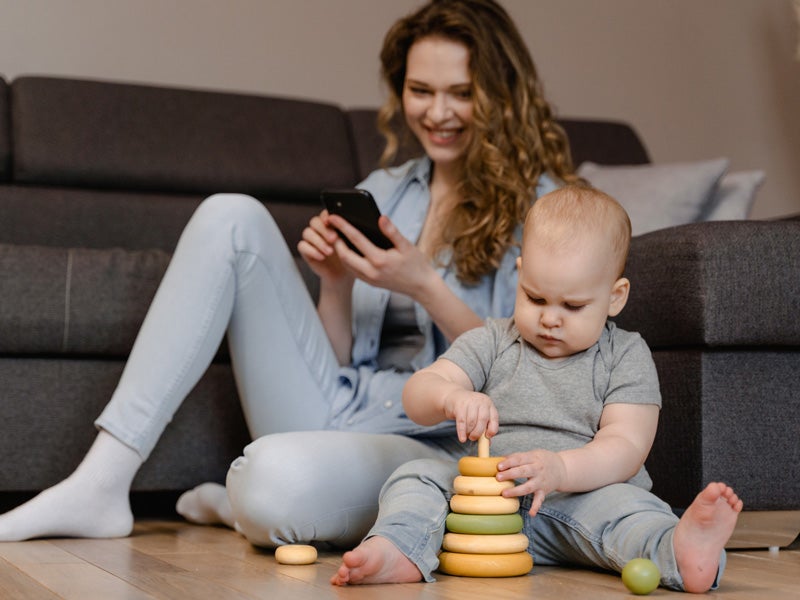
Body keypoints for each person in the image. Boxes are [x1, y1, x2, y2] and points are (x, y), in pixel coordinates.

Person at [0, 0, 579, 547]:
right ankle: (102, 481)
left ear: (501, 95)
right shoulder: (385, 192)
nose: (437, 112)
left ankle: (245, 500)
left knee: (276, 484)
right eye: (419, 90)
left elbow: (526, 378)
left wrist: (423, 284)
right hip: (344, 408)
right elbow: (335, 360)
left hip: (433, 441)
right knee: (230, 215)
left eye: (461, 93)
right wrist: (335, 282)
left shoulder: (544, 210)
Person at [331, 185, 743, 593]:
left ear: (614, 297)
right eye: (535, 297)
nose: (550, 319)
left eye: (573, 306)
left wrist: (562, 470)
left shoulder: (626, 355)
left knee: (631, 511)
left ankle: (680, 551)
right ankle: (398, 548)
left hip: (580, 498)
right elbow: (418, 395)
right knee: (416, 477)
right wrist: (451, 397)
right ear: (520, 274)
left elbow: (626, 445)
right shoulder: (492, 340)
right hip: (486, 504)